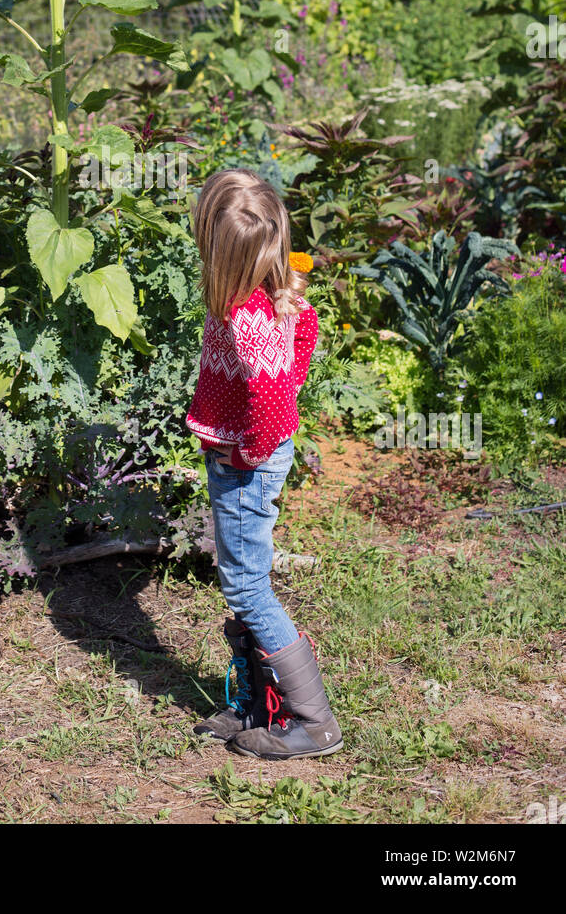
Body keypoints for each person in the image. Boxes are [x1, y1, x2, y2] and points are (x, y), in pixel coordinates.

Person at [185, 168, 343, 759]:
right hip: (244, 455)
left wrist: (247, 451)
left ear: (217, 249)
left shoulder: (245, 312)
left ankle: (314, 722)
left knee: (248, 586)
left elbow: (274, 407)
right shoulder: (274, 292)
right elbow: (304, 340)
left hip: (247, 462)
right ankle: (258, 706)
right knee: (241, 577)